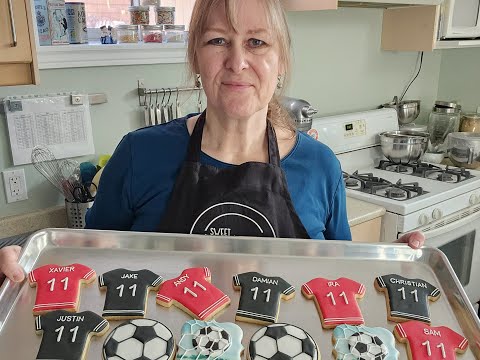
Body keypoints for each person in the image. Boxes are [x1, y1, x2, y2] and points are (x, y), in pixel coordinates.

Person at [0, 0, 424, 283]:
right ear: (196, 60)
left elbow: (341, 280)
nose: (237, 62)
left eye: (257, 42)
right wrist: (22, 270)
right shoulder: (139, 154)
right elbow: (81, 268)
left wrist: (394, 269)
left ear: (282, 62)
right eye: (218, 40)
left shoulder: (320, 166)